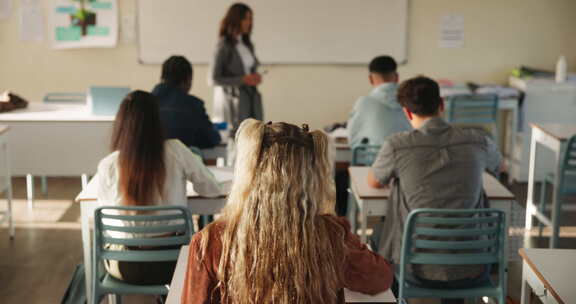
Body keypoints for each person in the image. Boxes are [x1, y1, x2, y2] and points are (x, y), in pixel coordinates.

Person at [183, 119, 393, 303]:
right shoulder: (332, 235)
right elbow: (380, 278)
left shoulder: (211, 241)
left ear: (248, 174)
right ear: (312, 177)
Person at [368, 76, 501, 304]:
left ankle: (401, 298)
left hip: (417, 268)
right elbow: (500, 166)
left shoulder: (397, 145)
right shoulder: (477, 139)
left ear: (407, 113)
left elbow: (374, 181)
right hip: (475, 263)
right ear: (442, 104)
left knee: (378, 236)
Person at [96, 90, 222, 285]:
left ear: (120, 124)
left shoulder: (108, 165)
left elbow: (106, 222)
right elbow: (211, 189)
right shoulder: (176, 150)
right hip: (173, 263)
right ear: (157, 121)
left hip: (124, 266)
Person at [211, 3, 263, 138]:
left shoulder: (247, 44)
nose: (250, 23)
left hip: (251, 97)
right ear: (236, 19)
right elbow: (213, 78)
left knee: (255, 136)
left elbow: (248, 69)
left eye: (251, 19)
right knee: (238, 139)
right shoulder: (224, 46)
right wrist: (243, 79)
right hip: (234, 102)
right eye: (247, 19)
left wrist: (254, 76)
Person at [152, 56, 221, 151]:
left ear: (162, 77)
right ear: (188, 80)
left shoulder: (143, 103)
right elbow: (212, 139)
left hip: (149, 163)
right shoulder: (193, 105)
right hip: (182, 163)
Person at [348, 56, 411, 149]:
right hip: (408, 159)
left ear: (370, 79)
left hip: (375, 160)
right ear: (397, 77)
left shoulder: (364, 103)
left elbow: (352, 140)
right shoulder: (411, 101)